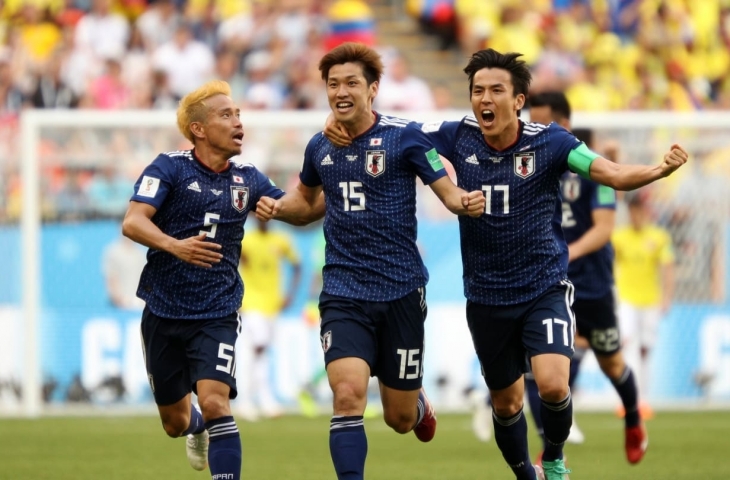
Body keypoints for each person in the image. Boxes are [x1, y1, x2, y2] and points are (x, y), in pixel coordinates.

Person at [323, 48, 688, 480]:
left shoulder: (551, 142)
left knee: (553, 383)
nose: (485, 99)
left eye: (496, 90)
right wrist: (339, 123)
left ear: (518, 100)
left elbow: (610, 173)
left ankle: (553, 457)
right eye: (477, 91)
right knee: (506, 403)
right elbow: (394, 130)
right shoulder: (457, 135)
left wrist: (657, 170)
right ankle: (524, 473)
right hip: (487, 296)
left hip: (543, 287)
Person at [255, 42, 486, 480]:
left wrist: (464, 201)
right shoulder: (319, 146)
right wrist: (273, 206)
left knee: (398, 418)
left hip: (400, 289)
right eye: (333, 84)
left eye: (352, 83)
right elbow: (304, 204)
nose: (341, 91)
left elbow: (447, 189)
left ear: (374, 88)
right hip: (343, 291)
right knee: (347, 395)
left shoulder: (405, 136)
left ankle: (416, 405)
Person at [121, 80, 304, 480]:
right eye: (227, 115)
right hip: (164, 309)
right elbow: (133, 223)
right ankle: (195, 425)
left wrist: (313, 180)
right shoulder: (168, 167)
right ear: (199, 129)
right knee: (174, 422)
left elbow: (301, 208)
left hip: (217, 311)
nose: (239, 121)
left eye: (238, 113)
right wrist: (176, 246)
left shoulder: (248, 177)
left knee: (218, 401)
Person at [525, 90, 646, 465]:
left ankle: (634, 418)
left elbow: (604, 228)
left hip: (590, 286)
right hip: (547, 283)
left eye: (543, 124)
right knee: (543, 369)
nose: (535, 131)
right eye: (532, 123)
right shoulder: (526, 167)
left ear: (563, 126)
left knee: (612, 364)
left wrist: (567, 252)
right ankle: (552, 448)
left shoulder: (593, 167)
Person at [612, 193, 675, 413]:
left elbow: (667, 268)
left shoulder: (659, 237)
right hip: (627, 299)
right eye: (632, 210)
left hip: (650, 300)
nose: (636, 214)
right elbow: (610, 264)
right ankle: (628, 401)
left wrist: (667, 297)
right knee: (627, 345)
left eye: (639, 209)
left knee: (645, 349)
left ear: (646, 211)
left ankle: (643, 399)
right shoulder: (619, 237)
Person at [236, 219, 301, 421]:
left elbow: (297, 266)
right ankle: (252, 400)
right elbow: (233, 262)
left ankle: (258, 400)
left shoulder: (281, 240)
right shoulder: (246, 240)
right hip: (251, 303)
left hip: (272, 305)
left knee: (261, 353)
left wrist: (290, 293)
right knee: (257, 348)